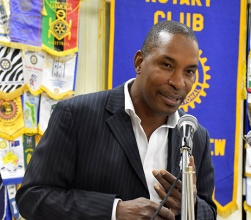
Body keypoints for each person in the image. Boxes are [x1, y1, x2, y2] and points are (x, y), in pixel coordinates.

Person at [16, 20, 216, 220]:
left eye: (189, 71)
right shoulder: (76, 115)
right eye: (166, 65)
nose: (178, 82)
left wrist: (192, 205)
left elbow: (209, 211)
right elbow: (33, 197)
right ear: (139, 62)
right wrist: (113, 211)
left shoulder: (196, 135)